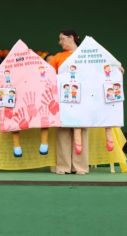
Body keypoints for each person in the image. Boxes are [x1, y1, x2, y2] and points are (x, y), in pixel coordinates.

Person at [48, 30, 89, 175]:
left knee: (81, 133)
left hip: (83, 100)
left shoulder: (87, 54)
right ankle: (63, 166)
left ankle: (80, 167)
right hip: (63, 101)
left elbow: (103, 67)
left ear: (71, 38)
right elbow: (46, 73)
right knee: (63, 133)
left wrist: (117, 69)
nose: (60, 42)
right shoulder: (58, 57)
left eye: (62, 39)